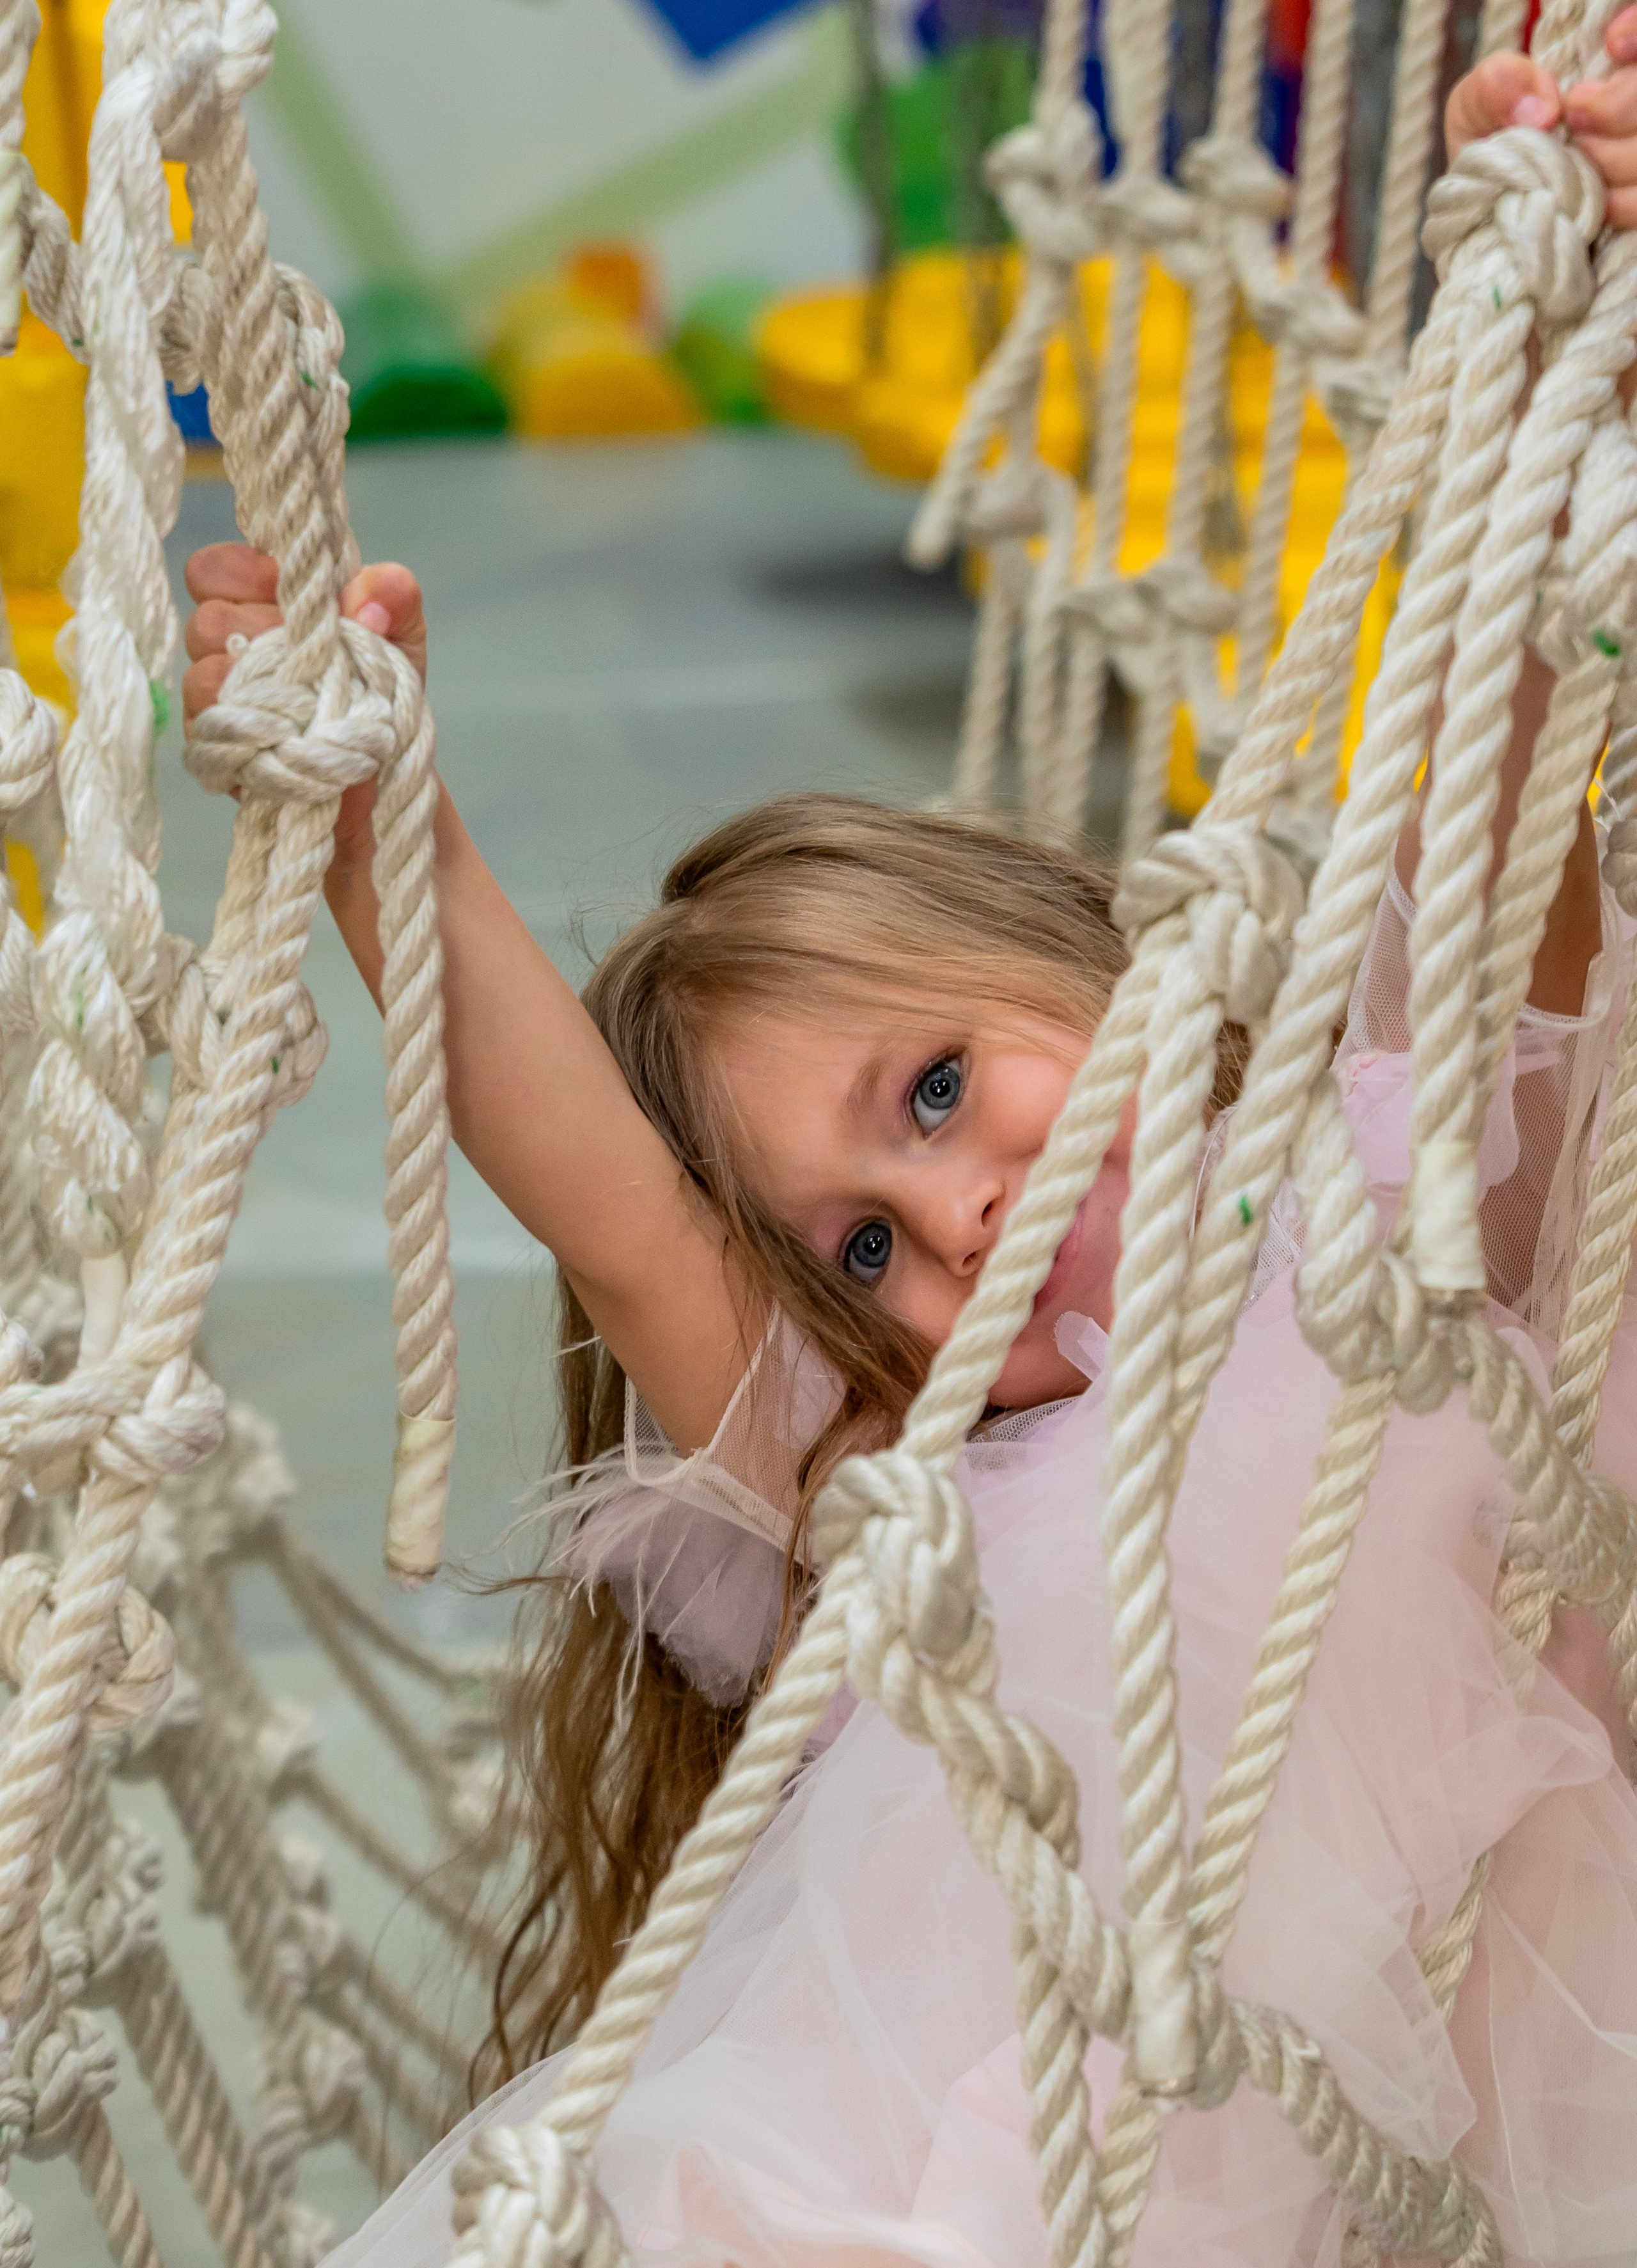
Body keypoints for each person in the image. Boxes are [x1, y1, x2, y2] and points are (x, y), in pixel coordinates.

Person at [186, 32, 1637, 2268]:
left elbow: (1502, 786)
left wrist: (1554, 319)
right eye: (864, 1238)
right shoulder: (902, 1492)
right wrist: (399, 832)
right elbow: (616, 1207)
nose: (957, 1221)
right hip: (957, 2183)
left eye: (945, 1088)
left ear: (1080, 959)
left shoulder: (1393, 1183)